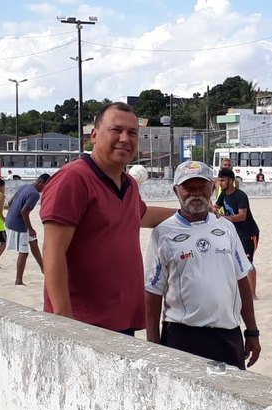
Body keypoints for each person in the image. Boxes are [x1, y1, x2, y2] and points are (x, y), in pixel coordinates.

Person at [40, 102, 175, 335]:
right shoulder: (73, 179)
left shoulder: (129, 184)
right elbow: (53, 250)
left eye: (132, 133)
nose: (125, 138)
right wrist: (64, 322)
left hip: (123, 319)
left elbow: (141, 215)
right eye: (116, 130)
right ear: (94, 135)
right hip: (85, 323)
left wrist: (188, 215)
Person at [145, 161, 260, 370]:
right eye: (188, 188)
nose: (195, 193)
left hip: (228, 334)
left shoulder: (226, 228)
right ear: (176, 190)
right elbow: (153, 291)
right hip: (182, 335)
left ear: (213, 188)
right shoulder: (162, 233)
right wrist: (153, 342)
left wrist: (252, 331)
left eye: (202, 187)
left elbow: (241, 279)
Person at [214, 168, 260, 299]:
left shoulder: (240, 196)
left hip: (249, 234)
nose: (220, 183)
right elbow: (215, 208)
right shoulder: (223, 194)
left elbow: (242, 216)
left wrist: (223, 217)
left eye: (222, 180)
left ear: (230, 180)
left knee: (248, 262)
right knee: (233, 261)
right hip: (235, 234)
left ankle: (252, 294)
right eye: (219, 180)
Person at [5, 174, 50, 285]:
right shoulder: (34, 194)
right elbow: (24, 211)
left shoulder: (24, 186)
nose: (45, 190)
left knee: (33, 241)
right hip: (18, 224)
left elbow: (10, 203)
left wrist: (11, 215)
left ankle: (44, 270)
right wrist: (30, 228)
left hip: (11, 219)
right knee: (24, 252)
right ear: (41, 184)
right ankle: (18, 280)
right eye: (46, 186)